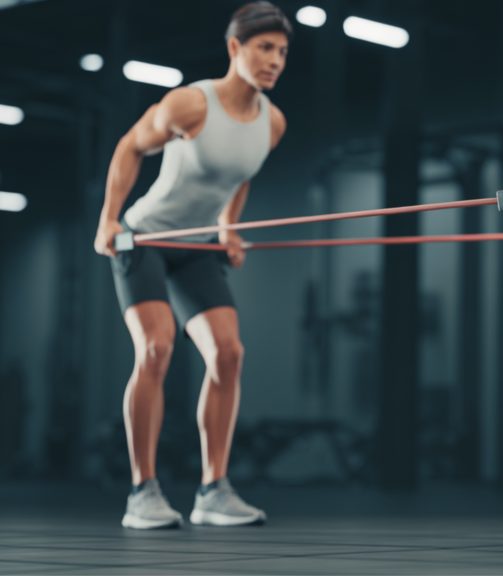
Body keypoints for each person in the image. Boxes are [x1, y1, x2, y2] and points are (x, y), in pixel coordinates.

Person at [92, 1, 290, 529]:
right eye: (264, 48)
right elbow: (130, 147)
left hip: (198, 247)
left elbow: (240, 174)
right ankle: (142, 492)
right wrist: (109, 219)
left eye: (282, 52)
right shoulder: (190, 105)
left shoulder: (272, 123)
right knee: (156, 348)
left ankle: (214, 491)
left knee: (228, 353)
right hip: (145, 237)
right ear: (234, 49)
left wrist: (227, 227)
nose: (274, 60)